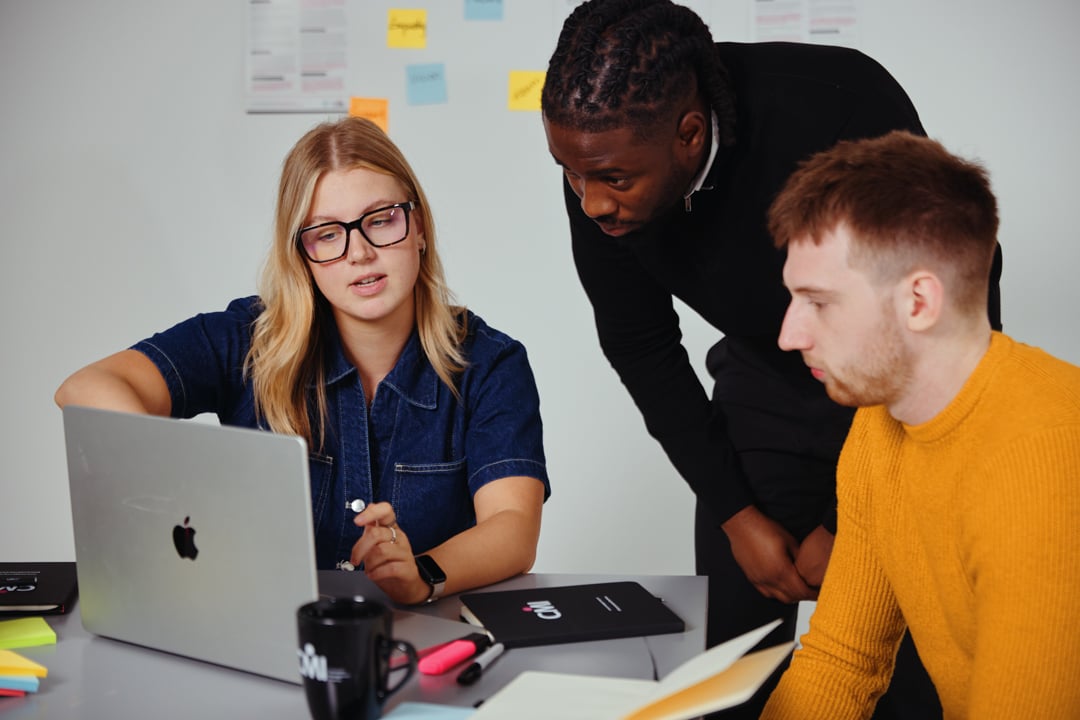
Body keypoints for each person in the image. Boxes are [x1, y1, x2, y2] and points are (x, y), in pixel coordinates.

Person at [541, 0, 999, 716]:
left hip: (904, 386)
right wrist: (735, 516)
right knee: (732, 670)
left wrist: (852, 525)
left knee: (908, 668)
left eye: (612, 181)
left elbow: (944, 324)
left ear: (689, 134)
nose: (590, 202)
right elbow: (640, 344)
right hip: (765, 376)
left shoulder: (840, 113)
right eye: (569, 174)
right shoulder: (599, 161)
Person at [54, 116, 550, 606]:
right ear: (303, 256)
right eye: (327, 234)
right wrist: (184, 484)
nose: (359, 252)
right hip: (257, 630)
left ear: (418, 227)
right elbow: (86, 387)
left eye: (381, 220)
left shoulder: (490, 363)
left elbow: (512, 530)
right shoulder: (245, 340)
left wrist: (421, 573)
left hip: (421, 644)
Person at [759, 129, 1080, 718]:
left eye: (819, 302)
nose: (789, 335)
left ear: (918, 302)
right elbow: (842, 657)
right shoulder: (880, 424)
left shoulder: (1047, 455)